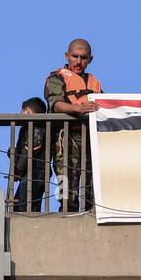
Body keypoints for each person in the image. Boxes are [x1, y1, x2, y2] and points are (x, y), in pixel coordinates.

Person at [44, 39, 101, 212]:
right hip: (66, 137)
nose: (78, 61)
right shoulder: (57, 77)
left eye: (83, 58)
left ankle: (92, 213)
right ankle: (67, 213)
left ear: (90, 59)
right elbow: (56, 104)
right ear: (67, 56)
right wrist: (78, 108)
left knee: (92, 185)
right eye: (74, 56)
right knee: (67, 185)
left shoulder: (94, 82)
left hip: (90, 138)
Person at [9, 97, 49, 212]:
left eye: (21, 111)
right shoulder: (33, 127)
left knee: (23, 209)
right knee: (22, 207)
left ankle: (25, 229)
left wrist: (18, 169)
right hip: (33, 173)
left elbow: (30, 149)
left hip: (36, 172)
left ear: (27, 110)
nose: (20, 114)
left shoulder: (36, 126)